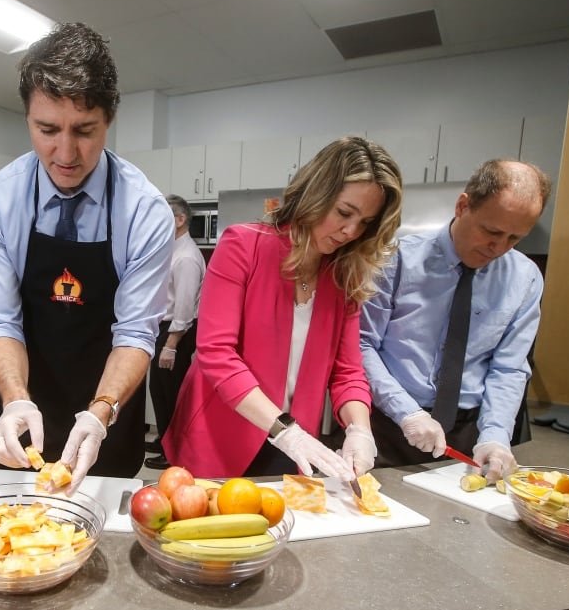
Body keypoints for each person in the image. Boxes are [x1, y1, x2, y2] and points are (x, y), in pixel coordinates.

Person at [0, 22, 174, 490]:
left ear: (109, 120)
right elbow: (0, 321)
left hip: (106, 412)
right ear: (27, 120)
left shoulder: (144, 211)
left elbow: (136, 331)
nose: (65, 153)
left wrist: (102, 412)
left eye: (84, 131)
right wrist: (16, 400)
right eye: (46, 130)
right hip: (23, 403)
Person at [163, 137, 403, 483]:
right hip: (221, 439)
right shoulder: (244, 246)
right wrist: (285, 430)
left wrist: (360, 429)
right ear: (315, 194)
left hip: (294, 447)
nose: (351, 231)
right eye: (344, 212)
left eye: (365, 222)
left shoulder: (343, 276)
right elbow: (217, 353)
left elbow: (347, 372)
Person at [359, 159, 551, 481]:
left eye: (514, 239)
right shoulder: (395, 260)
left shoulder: (525, 278)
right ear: (463, 206)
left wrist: (495, 435)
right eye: (491, 231)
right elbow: (362, 344)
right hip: (388, 424)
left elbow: (509, 367)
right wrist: (407, 412)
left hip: (466, 432)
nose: (498, 247)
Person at [144, 195, 206, 471]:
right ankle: (163, 440)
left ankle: (173, 453)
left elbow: (184, 304)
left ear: (180, 220)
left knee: (171, 393)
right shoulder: (172, 250)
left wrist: (171, 343)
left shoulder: (187, 257)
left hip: (175, 333)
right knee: (158, 389)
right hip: (164, 330)